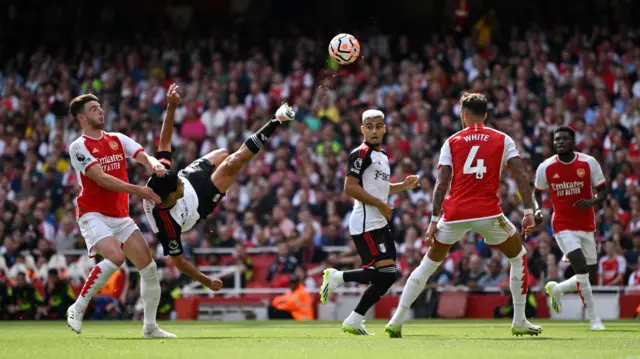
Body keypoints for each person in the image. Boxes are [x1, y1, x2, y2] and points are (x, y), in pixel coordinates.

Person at [385, 93, 542, 338]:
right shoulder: (503, 139)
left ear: (464, 114)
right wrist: (528, 212)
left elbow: (442, 182)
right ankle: (519, 320)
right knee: (518, 256)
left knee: (427, 265)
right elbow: (522, 175)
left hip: (455, 212)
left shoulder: (452, 141)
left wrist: (433, 221)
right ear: (486, 114)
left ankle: (397, 320)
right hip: (488, 212)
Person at [143, 84, 295, 291]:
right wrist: (206, 280)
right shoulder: (167, 226)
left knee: (223, 152)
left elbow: (165, 141)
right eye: (177, 184)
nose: (178, 181)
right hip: (199, 204)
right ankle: (277, 120)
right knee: (234, 162)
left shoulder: (164, 177)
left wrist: (171, 108)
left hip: (192, 178)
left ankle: (250, 143)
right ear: (170, 196)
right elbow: (179, 262)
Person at [66, 93, 174, 338]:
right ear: (81, 117)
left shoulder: (116, 139)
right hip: (92, 213)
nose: (101, 111)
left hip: (120, 215)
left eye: (100, 107)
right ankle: (78, 307)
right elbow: (101, 178)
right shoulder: (78, 147)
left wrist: (153, 164)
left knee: (149, 268)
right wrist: (139, 191)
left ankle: (150, 327)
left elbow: (141, 154)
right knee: (115, 257)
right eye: (94, 109)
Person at [319, 109, 419, 335]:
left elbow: (381, 190)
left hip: (378, 222)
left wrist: (403, 185)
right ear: (362, 129)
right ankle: (337, 277)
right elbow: (350, 187)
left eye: (378, 126)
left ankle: (354, 320)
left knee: (389, 275)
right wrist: (382, 206)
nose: (374, 131)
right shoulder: (361, 154)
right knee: (383, 274)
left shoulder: (382, 156)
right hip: (366, 223)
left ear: (385, 128)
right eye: (369, 126)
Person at [535, 126, 607, 331]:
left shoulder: (588, 162)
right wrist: (538, 210)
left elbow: (603, 191)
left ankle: (557, 288)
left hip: (586, 225)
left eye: (565, 139)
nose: (560, 142)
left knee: (590, 275)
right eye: (557, 139)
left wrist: (592, 201)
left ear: (573, 142)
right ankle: (595, 319)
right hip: (562, 225)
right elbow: (537, 193)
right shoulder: (546, 167)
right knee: (581, 268)